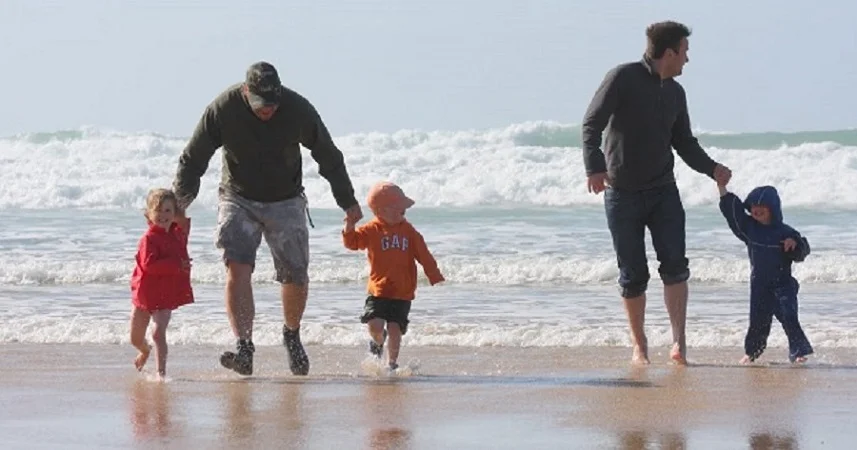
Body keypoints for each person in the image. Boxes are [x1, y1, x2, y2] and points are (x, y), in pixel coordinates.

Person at [171, 61, 363, 376]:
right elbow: (193, 158)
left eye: (272, 105)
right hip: (237, 196)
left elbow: (327, 154)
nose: (267, 111)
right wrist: (179, 204)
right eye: (260, 105)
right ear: (246, 92)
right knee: (238, 266)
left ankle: (291, 334)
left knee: (296, 275)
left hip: (286, 199)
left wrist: (347, 200)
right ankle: (244, 346)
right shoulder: (223, 108)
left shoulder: (298, 109)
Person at [581, 21, 732, 365]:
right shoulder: (622, 78)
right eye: (685, 52)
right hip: (622, 195)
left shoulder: (676, 94)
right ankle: (640, 346)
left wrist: (712, 169)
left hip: (664, 192)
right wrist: (594, 166)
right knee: (633, 275)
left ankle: (679, 344)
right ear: (669, 53)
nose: (687, 60)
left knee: (676, 266)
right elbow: (591, 123)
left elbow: (684, 143)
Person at [342, 181, 444, 370]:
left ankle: (392, 364)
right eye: (400, 208)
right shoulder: (371, 230)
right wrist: (349, 225)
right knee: (375, 326)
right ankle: (378, 342)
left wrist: (434, 274)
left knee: (396, 329)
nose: (404, 212)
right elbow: (353, 242)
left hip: (402, 291)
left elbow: (424, 254)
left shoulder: (409, 231)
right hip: (378, 290)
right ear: (382, 211)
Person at [716, 182, 813, 364]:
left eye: (762, 208)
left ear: (773, 209)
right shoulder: (750, 228)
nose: (757, 211)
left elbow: (803, 250)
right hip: (759, 283)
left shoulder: (786, 231)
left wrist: (794, 244)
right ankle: (752, 352)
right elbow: (733, 213)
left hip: (783, 283)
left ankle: (798, 352)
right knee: (758, 321)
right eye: (753, 207)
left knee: (789, 315)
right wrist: (722, 188)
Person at [130, 188, 193, 379]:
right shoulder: (148, 239)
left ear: (174, 213)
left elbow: (184, 224)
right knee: (135, 338)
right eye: (158, 210)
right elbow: (149, 265)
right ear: (148, 214)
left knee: (158, 332)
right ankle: (144, 351)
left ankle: (161, 374)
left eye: (168, 210)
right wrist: (176, 264)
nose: (163, 215)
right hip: (145, 294)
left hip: (165, 293)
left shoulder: (178, 235)